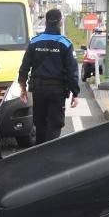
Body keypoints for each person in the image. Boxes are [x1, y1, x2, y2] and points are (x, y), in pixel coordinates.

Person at [18, 8, 80, 144]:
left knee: (40, 124)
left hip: (38, 90)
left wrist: (22, 88)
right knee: (54, 125)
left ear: (46, 22)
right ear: (61, 23)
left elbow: (24, 67)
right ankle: (50, 156)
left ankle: (40, 155)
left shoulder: (34, 42)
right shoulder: (66, 44)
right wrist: (75, 93)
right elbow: (72, 71)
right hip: (57, 91)